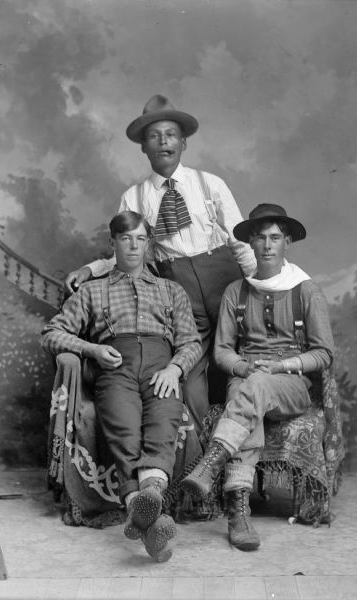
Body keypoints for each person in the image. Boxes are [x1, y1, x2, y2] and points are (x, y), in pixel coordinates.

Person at [65, 95, 257, 436]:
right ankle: (205, 460)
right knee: (189, 376)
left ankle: (240, 459)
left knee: (240, 365)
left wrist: (257, 286)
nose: (164, 141)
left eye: (171, 134)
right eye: (154, 135)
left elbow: (240, 240)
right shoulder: (134, 197)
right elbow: (130, 250)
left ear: (183, 143)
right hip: (180, 293)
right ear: (143, 147)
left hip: (227, 285)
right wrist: (91, 270)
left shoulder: (209, 184)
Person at [41, 211, 201, 563]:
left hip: (161, 367)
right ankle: (147, 511)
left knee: (164, 417)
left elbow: (191, 342)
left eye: (140, 239)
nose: (133, 246)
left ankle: (144, 505)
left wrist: (175, 369)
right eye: (125, 238)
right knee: (124, 426)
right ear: (112, 243)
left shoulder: (171, 290)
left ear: (148, 244)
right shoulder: (93, 291)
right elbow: (52, 333)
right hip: (115, 368)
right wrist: (92, 349)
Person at [181, 203, 334, 552]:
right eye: (261, 238)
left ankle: (212, 462)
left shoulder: (305, 289)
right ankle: (239, 513)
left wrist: (280, 367)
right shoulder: (237, 291)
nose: (267, 245)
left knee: (256, 388)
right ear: (250, 243)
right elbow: (221, 350)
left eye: (275, 238)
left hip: (290, 383)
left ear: (287, 243)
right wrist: (245, 367)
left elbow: (324, 353)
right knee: (249, 392)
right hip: (247, 376)